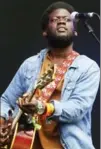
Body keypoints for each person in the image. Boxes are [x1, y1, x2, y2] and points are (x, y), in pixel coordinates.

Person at [0, 1, 100, 149]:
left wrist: (43, 107)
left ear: (75, 31)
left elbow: (77, 108)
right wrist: (2, 123)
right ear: (45, 31)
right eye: (55, 19)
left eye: (67, 19)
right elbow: (6, 100)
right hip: (23, 143)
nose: (61, 21)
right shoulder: (30, 64)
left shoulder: (88, 67)